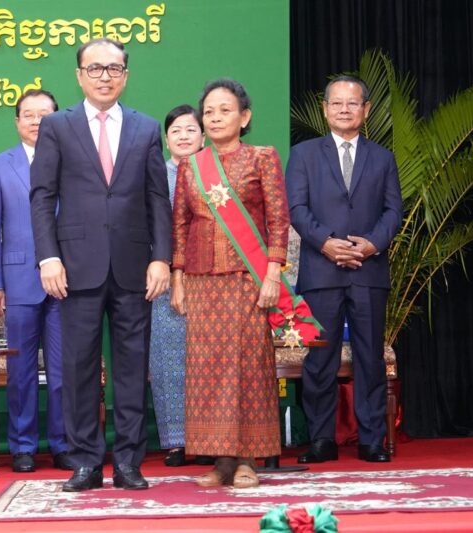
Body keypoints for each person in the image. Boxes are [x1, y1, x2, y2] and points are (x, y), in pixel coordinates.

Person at [29, 38, 172, 492]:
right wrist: (48, 256)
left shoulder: (146, 128)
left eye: (113, 68)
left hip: (134, 267)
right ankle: (86, 462)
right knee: (79, 368)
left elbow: (157, 198)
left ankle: (129, 461)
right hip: (75, 266)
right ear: (79, 75)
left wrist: (161, 257)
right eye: (95, 68)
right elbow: (42, 197)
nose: (104, 76)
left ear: (126, 75)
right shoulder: (57, 126)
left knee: (132, 368)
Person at [171, 78, 290, 489]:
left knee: (248, 367)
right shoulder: (191, 166)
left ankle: (247, 460)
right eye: (209, 111)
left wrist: (272, 272)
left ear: (245, 116)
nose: (216, 117)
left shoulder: (262, 158)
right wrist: (178, 279)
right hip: (201, 282)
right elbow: (179, 225)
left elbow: (279, 220)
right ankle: (220, 460)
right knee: (206, 370)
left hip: (247, 279)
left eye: (225, 110)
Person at [285, 75, 403, 464]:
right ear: (324, 109)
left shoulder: (383, 158)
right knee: (320, 360)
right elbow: (296, 208)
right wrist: (326, 243)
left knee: (370, 358)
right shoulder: (303, 154)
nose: (344, 110)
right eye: (336, 103)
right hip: (322, 272)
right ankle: (322, 440)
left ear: (365, 110)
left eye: (352, 103)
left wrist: (371, 245)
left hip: (369, 271)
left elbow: (393, 211)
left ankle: (371, 440)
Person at [0, 89, 72, 473]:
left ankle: (63, 444)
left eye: (44, 114)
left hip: (66, 283)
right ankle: (22, 446)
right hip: (17, 283)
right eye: (28, 115)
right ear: (17, 122)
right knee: (21, 372)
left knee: (64, 370)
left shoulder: (73, 163)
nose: (36, 121)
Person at [149, 105, 206, 467]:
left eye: (191, 129)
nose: (184, 136)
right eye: (176, 131)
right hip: (165, 281)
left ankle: (211, 437)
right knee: (169, 361)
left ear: (203, 136)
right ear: (166, 139)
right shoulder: (154, 176)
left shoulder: (216, 174)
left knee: (208, 360)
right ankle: (177, 441)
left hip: (210, 279)